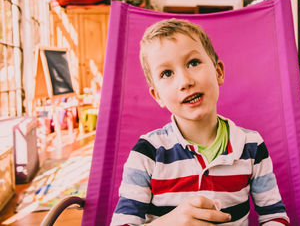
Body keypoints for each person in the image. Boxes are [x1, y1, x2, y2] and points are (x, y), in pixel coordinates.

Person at [110, 19, 289, 226]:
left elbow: (274, 216)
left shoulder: (251, 145)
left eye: (193, 63)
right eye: (167, 73)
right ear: (157, 95)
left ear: (218, 72)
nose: (185, 81)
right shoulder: (147, 153)